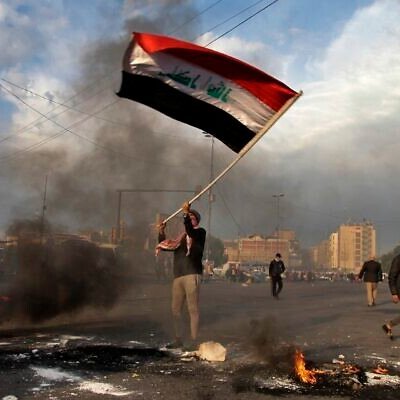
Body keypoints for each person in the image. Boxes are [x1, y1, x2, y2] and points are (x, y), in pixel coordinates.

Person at [157, 202, 206, 350]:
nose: (190, 218)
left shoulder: (199, 233)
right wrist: (161, 231)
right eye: (188, 216)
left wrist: (185, 213)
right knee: (176, 310)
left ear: (197, 220)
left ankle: (193, 341)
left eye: (192, 217)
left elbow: (190, 231)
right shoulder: (180, 239)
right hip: (178, 276)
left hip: (192, 274)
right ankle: (178, 339)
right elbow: (165, 245)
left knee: (193, 309)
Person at [382, 254, 400, 340]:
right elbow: (392, 277)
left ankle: (389, 325)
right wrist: (394, 293)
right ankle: (389, 325)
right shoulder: (398, 259)